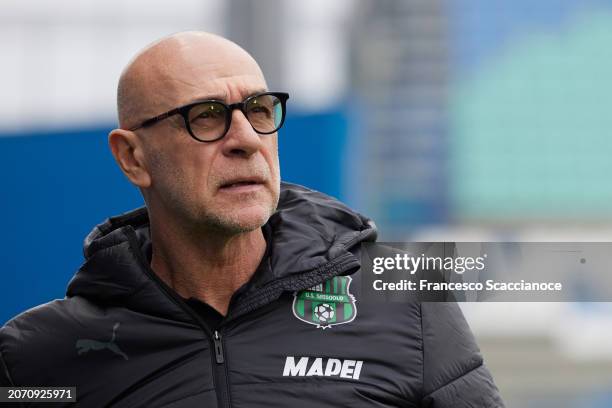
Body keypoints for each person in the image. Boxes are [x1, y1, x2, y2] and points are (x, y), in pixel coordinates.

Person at [0, 31, 504, 407]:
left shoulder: (407, 306)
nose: (245, 139)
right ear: (133, 158)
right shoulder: (38, 358)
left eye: (260, 110)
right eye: (206, 116)